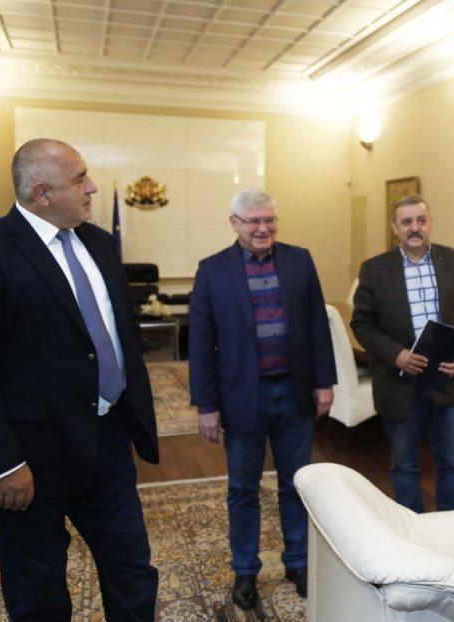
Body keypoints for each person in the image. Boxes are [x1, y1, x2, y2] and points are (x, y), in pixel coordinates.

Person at [0, 138, 160, 620]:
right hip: (29, 459)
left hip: (107, 444)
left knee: (133, 575)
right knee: (39, 595)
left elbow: (117, 333)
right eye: (80, 179)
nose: (93, 187)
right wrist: (1, 465)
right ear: (41, 193)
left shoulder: (99, 242)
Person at [188, 188, 336, 606]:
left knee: (297, 483)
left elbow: (317, 326)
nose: (262, 228)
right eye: (253, 220)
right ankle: (245, 570)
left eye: (269, 219)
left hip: (294, 392)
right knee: (242, 488)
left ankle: (298, 563)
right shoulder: (212, 270)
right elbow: (201, 343)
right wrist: (206, 405)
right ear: (234, 223)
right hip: (242, 398)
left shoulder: (299, 260)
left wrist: (324, 381)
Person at [351, 194, 454, 512]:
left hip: (447, 381)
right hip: (399, 383)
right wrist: (395, 354)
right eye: (407, 222)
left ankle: (452, 525)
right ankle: (413, 530)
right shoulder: (374, 269)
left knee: (453, 461)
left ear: (431, 225)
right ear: (395, 228)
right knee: (404, 464)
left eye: (421, 221)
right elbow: (362, 325)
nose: (414, 228)